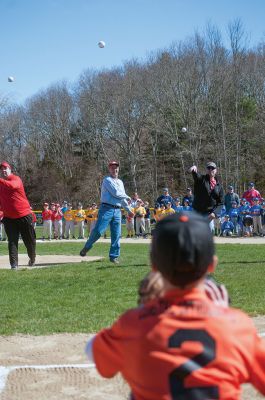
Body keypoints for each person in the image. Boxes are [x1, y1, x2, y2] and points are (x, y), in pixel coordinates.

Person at [85, 212, 265, 399]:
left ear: (154, 266)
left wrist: (146, 309)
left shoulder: (132, 324)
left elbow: (92, 351)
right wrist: (222, 313)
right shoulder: (238, 326)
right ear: (212, 265)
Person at [79, 161, 134, 263]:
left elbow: (122, 199)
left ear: (118, 169)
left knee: (116, 234)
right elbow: (116, 193)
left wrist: (129, 210)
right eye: (112, 168)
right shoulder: (107, 180)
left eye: (116, 167)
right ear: (109, 169)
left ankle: (113, 256)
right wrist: (128, 196)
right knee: (99, 231)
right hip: (106, 209)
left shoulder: (121, 182)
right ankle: (87, 246)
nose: (115, 169)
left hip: (117, 210)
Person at [0, 161, 36, 269]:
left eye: (5, 168)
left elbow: (12, 186)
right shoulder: (1, 185)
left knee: (29, 241)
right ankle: (14, 265)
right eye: (1, 169)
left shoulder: (16, 179)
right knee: (12, 241)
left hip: (24, 215)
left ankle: (32, 257)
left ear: (10, 170)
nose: (3, 170)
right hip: (9, 218)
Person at [189, 161, 224, 230]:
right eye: (209, 168)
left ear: (216, 170)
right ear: (206, 170)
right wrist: (194, 169)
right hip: (197, 212)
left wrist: (214, 213)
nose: (210, 169)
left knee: (208, 234)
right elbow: (196, 175)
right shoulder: (201, 179)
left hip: (209, 214)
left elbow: (221, 203)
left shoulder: (219, 186)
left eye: (212, 168)